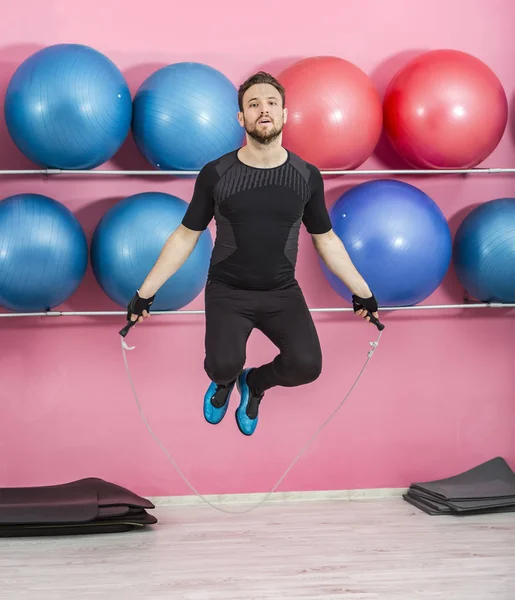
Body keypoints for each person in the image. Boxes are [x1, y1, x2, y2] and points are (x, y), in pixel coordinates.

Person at [124, 71, 380, 437]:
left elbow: (326, 239)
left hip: (281, 291)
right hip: (229, 291)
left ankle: (254, 384)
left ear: (285, 114)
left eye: (272, 103)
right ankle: (226, 381)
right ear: (241, 118)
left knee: (306, 366)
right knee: (221, 365)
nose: (264, 110)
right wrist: (144, 293)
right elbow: (185, 236)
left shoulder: (305, 176)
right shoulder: (217, 174)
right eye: (254, 104)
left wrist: (363, 291)